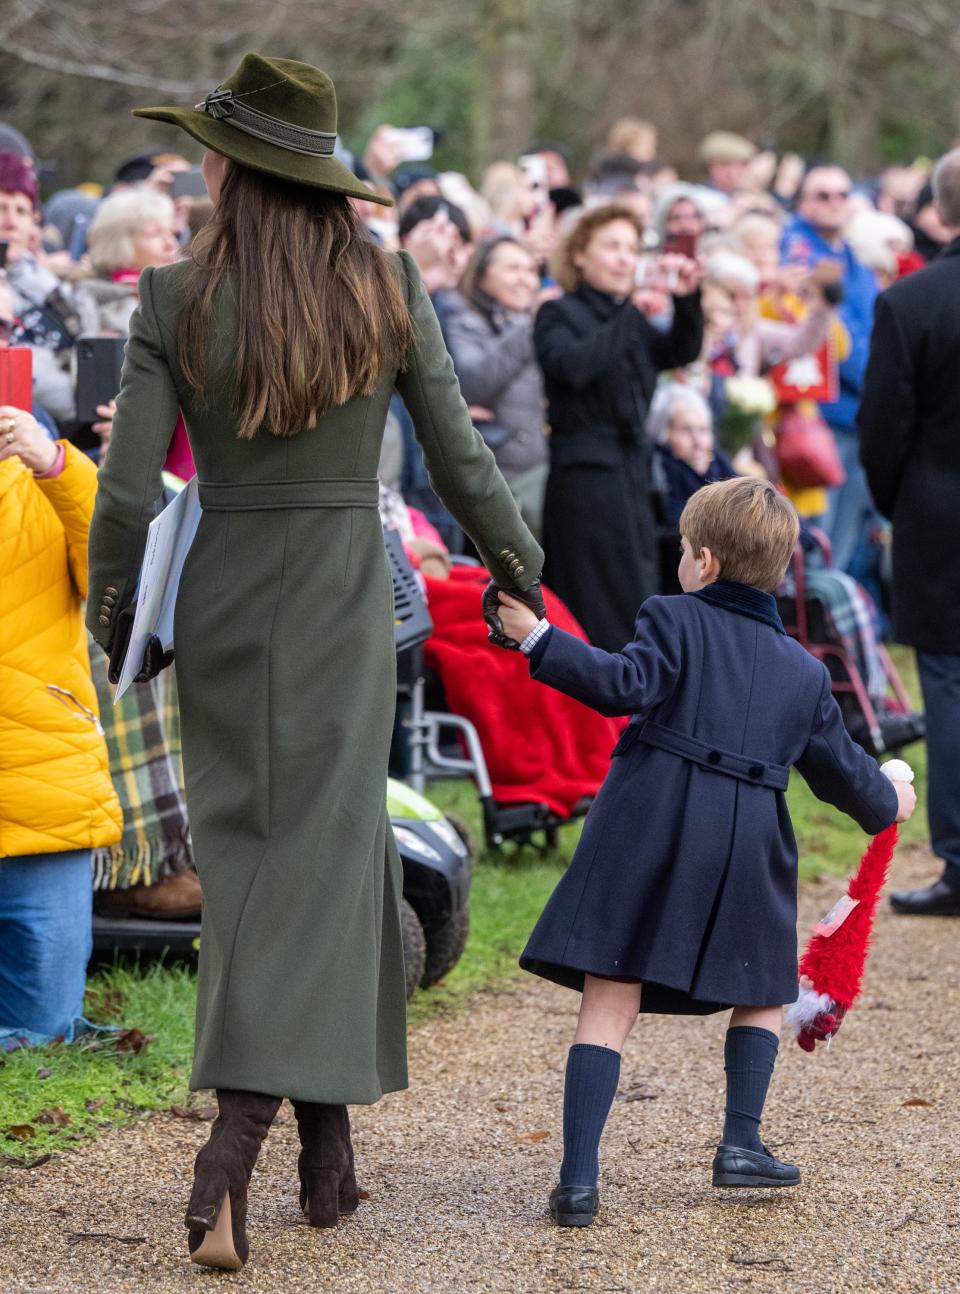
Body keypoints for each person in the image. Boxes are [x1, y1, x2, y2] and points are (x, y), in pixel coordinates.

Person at [86, 54, 544, 1271]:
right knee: (327, 852)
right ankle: (233, 1148)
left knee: (258, 863)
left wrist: (112, 609)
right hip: (345, 593)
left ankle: (323, 1156)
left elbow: (128, 489)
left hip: (225, 590)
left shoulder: (173, 291)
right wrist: (517, 564)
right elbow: (459, 455)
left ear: (237, 168)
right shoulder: (389, 283)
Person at [494, 476, 915, 1227]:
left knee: (612, 989)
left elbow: (623, 684)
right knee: (762, 987)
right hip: (748, 839)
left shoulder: (673, 618)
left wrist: (537, 636)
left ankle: (580, 1179)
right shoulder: (805, 671)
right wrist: (893, 798)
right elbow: (850, 781)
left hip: (651, 820)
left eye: (686, 550)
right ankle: (741, 1146)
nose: (681, 563)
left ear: (705, 561)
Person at [0, 399, 122, 1047]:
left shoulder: (49, 479)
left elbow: (114, 580)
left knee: (44, 1029)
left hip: (41, 786)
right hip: (44, 776)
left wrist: (52, 463)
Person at [858, 147, 960, 918]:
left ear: (941, 210)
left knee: (949, 684)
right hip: (935, 504)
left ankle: (959, 859)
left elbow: (882, 427)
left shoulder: (914, 300)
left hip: (939, 508)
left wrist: (901, 503)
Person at [534, 204, 703, 650]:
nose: (624, 258)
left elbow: (679, 350)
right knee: (597, 608)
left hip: (630, 477)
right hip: (584, 482)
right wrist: (630, 313)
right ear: (578, 256)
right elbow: (572, 367)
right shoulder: (558, 314)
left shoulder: (629, 316)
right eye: (611, 246)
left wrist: (686, 299)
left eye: (631, 248)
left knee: (636, 599)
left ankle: (631, 703)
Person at [781, 166, 877, 573]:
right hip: (822, 417)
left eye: (842, 193)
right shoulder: (800, 253)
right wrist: (879, 379)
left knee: (843, 537)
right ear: (803, 202)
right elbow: (833, 343)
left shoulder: (852, 256)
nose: (835, 202)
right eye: (823, 195)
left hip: (859, 414)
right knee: (817, 541)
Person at [445, 236, 548, 532]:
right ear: (481, 273)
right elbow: (473, 382)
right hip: (499, 479)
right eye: (513, 269)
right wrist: (530, 328)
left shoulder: (523, 319)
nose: (525, 280)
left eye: (530, 270)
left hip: (537, 472)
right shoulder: (462, 317)